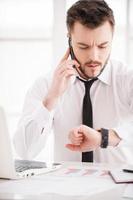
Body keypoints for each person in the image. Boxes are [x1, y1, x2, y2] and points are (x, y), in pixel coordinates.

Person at [14, 0, 133, 164]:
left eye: (103, 46)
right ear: (69, 41)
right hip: (64, 188)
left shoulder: (127, 79)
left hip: (120, 188)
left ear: (112, 39)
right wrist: (50, 100)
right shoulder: (47, 84)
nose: (94, 57)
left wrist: (103, 138)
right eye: (84, 47)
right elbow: (25, 151)